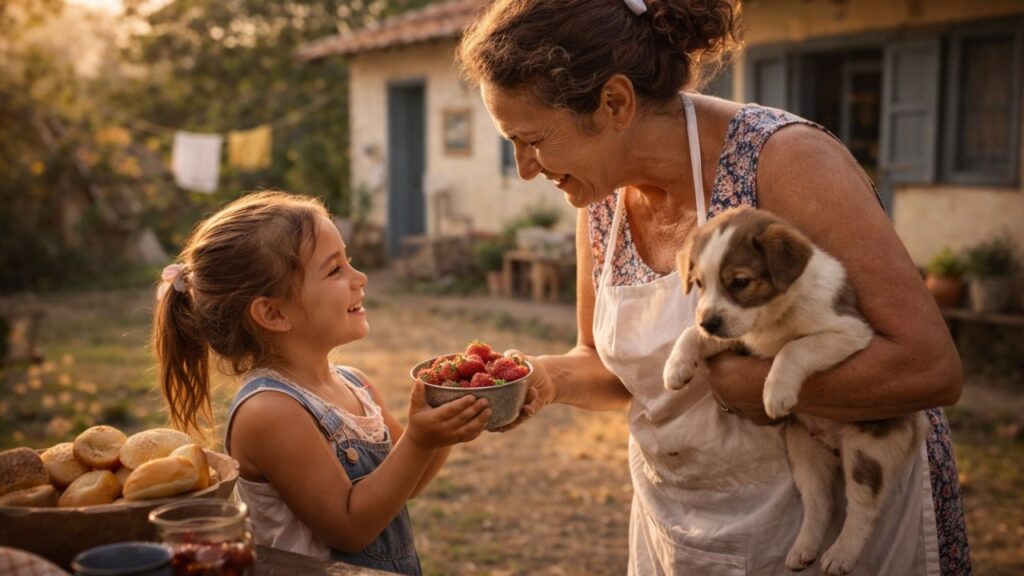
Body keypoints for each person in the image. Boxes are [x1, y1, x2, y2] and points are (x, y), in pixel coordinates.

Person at [457, 0, 970, 574]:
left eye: (531, 139)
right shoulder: (600, 196)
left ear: (615, 103)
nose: (526, 167)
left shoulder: (786, 160)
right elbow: (608, 367)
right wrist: (545, 379)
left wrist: (755, 382)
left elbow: (932, 368)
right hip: (684, 531)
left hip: (848, 523)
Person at [151, 191, 491, 574]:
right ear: (273, 312)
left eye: (349, 261)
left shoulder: (355, 385)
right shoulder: (269, 412)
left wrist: (444, 428)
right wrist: (420, 438)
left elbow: (405, 485)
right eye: (335, 270)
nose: (359, 278)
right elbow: (349, 528)